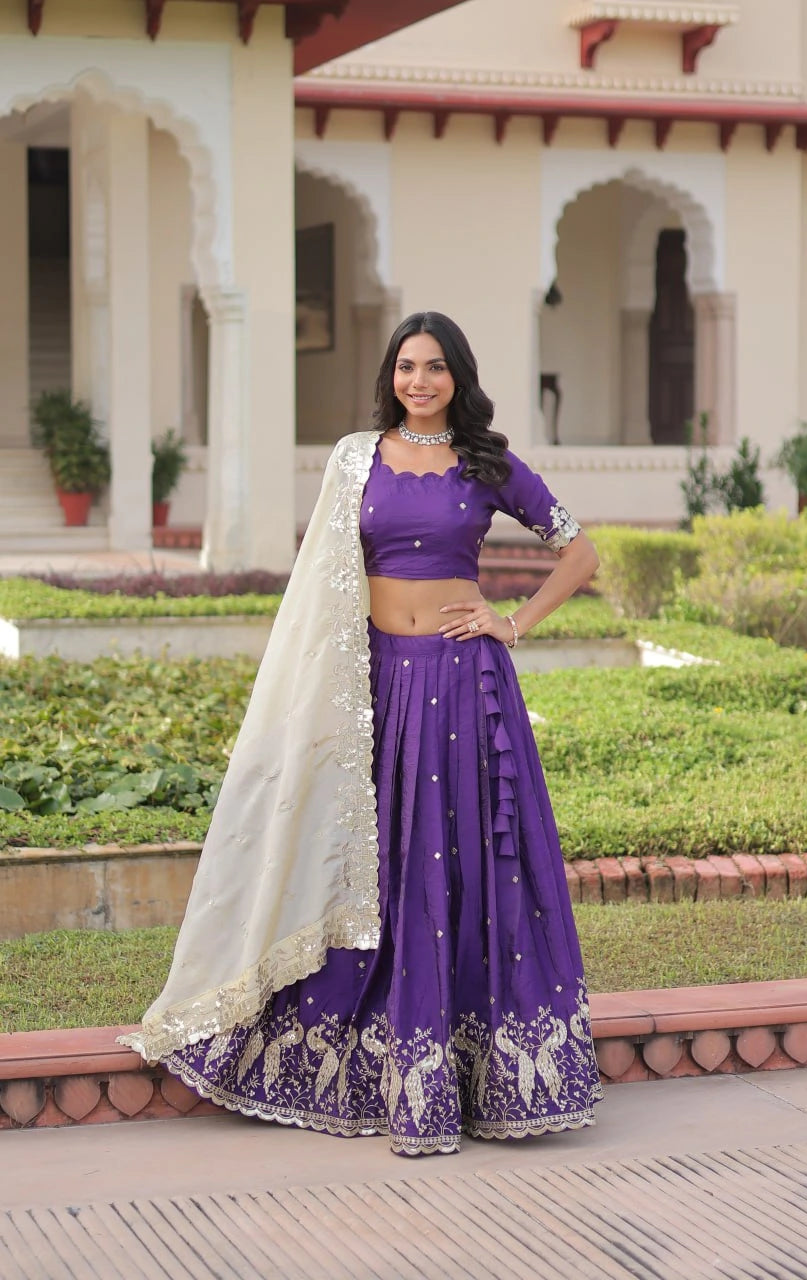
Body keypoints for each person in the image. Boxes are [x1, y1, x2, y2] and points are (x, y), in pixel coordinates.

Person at [121, 311, 603, 1156]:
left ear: (458, 376)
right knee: (381, 863)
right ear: (390, 375)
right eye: (407, 367)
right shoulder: (356, 459)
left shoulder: (486, 462)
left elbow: (580, 553)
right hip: (373, 685)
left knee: (464, 865)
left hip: (463, 688)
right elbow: (321, 583)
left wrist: (511, 622)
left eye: (435, 368)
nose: (420, 381)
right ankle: (376, 1055)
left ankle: (473, 1071)